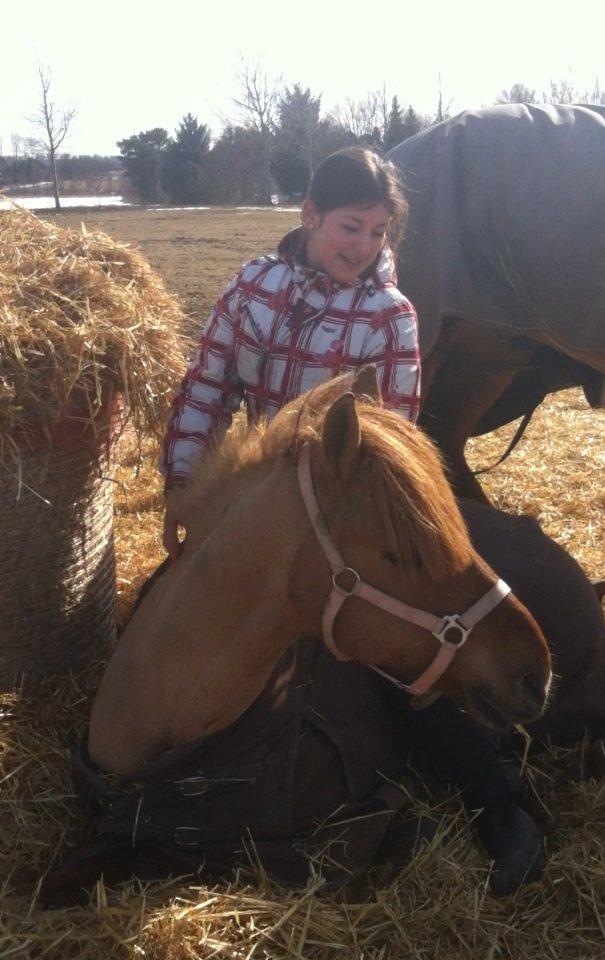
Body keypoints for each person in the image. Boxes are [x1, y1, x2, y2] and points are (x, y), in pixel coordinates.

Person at [158, 146, 544, 896]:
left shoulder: (389, 317)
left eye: (376, 231)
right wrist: (182, 489)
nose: (362, 247)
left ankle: (499, 811)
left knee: (397, 660)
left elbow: (389, 438)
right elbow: (205, 385)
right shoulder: (252, 289)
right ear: (308, 217)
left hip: (345, 514)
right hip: (256, 507)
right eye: (348, 227)